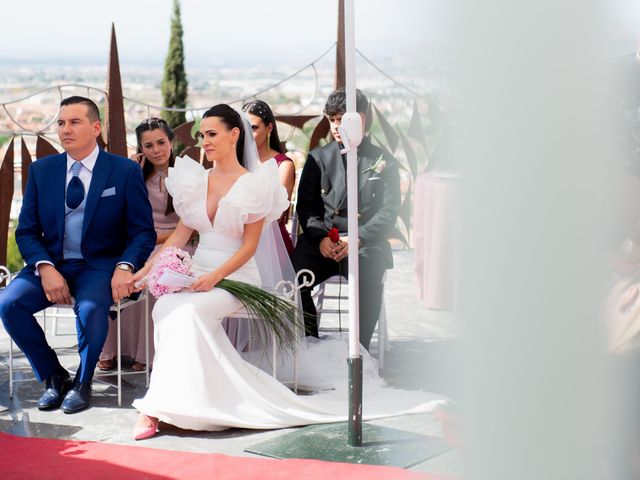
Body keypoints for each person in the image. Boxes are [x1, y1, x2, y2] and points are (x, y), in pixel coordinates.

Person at [129, 104, 442, 440]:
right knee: (165, 307)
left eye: (212, 134)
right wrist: (144, 270)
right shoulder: (195, 181)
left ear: (235, 135)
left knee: (188, 312)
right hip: (198, 273)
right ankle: (176, 400)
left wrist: (214, 277)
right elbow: (178, 236)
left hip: (234, 278)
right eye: (202, 135)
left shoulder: (254, 184)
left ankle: (162, 407)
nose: (204, 141)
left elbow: (249, 248)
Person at [0, 96, 156, 414]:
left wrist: (125, 266)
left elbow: (143, 232)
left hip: (98, 266)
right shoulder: (42, 171)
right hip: (53, 263)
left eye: (74, 122)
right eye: (61, 123)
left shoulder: (123, 171)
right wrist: (44, 267)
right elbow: (27, 231)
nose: (65, 129)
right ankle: (54, 375)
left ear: (95, 128)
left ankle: (82, 382)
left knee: (90, 309)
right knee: (8, 303)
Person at [292, 88, 401, 350]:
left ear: (361, 118)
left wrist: (359, 237)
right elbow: (307, 208)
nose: (337, 127)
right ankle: (310, 345)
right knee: (294, 275)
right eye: (332, 120)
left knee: (371, 276)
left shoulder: (384, 161)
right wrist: (319, 240)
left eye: (342, 119)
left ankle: (359, 349)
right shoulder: (318, 158)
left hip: (365, 242)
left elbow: (389, 210)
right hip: (324, 243)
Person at [98, 118, 196, 372]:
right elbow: (116, 210)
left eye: (161, 142)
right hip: (140, 241)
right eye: (149, 145)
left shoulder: (187, 173)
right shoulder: (136, 172)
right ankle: (111, 348)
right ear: (141, 147)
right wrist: (127, 171)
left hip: (177, 244)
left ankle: (148, 353)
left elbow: (193, 224)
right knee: (115, 274)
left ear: (171, 142)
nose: (156, 150)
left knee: (154, 279)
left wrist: (159, 239)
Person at [242, 100, 295, 255]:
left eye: (253, 128)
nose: (248, 134)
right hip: (237, 239)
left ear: (269, 128)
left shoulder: (283, 165)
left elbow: (276, 216)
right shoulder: (236, 162)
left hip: (271, 244)